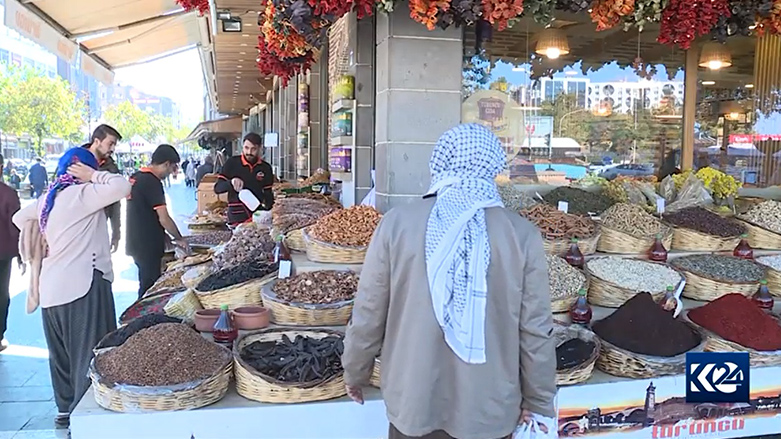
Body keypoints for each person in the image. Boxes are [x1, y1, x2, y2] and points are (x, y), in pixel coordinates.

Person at [341, 124, 557, 439]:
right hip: (489, 409)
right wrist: (539, 398)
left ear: (439, 161)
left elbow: (369, 311)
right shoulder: (521, 235)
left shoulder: (397, 225)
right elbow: (536, 329)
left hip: (413, 402)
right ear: (492, 164)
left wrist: (355, 370)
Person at [12, 148, 131, 427]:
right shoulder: (81, 194)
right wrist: (95, 175)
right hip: (83, 286)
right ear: (80, 170)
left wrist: (45, 236)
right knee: (87, 352)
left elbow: (19, 218)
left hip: (52, 288)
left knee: (61, 355)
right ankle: (86, 418)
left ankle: (65, 409)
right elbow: (122, 186)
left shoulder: (48, 199)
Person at [126, 145, 190, 299]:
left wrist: (164, 236)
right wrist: (179, 238)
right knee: (150, 288)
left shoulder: (137, 176)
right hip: (147, 244)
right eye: (172, 167)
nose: (171, 173)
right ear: (166, 163)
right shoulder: (152, 182)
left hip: (136, 241)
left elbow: (146, 212)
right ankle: (142, 320)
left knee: (146, 281)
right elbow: (164, 218)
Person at [214, 133, 275, 225]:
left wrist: (270, 211)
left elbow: (268, 193)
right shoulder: (231, 163)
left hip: (258, 215)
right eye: (246, 148)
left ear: (260, 148)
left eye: (253, 149)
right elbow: (217, 188)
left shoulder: (266, 168)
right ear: (242, 147)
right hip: (236, 215)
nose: (249, 152)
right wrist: (231, 182)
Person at [81, 124, 123, 252]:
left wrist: (116, 233)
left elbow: (115, 203)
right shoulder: (75, 160)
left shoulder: (112, 168)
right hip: (78, 227)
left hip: (101, 226)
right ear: (97, 142)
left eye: (114, 145)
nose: (113, 149)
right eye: (110, 144)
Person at [0, 154, 22, 351]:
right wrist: (21, 253)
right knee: (1, 293)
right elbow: (15, 227)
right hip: (3, 253)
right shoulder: (8, 194)